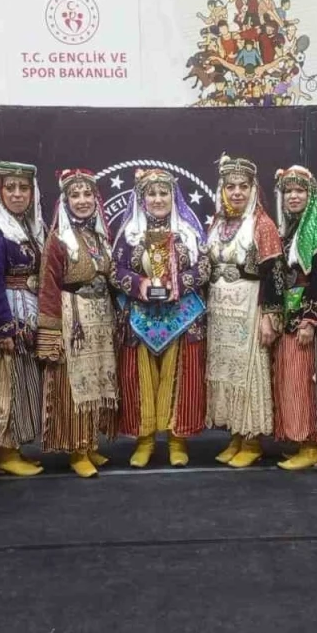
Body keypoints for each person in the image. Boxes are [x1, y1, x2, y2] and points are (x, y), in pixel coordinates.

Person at [114, 167, 209, 468]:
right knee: (141, 378)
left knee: (178, 376)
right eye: (151, 194)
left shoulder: (189, 232)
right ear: (141, 199)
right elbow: (113, 270)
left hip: (181, 316)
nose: (157, 199)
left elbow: (205, 267)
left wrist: (177, 285)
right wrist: (139, 284)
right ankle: (145, 441)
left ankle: (177, 440)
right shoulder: (129, 233)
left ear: (173, 196)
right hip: (140, 318)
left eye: (163, 193)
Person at [35, 169, 118, 477]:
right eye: (75, 195)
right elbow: (48, 286)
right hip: (74, 319)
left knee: (98, 379)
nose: (82, 201)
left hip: (101, 318)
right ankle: (76, 450)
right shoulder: (58, 239)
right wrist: (50, 332)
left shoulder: (100, 237)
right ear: (65, 201)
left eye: (87, 194)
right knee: (75, 384)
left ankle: (90, 442)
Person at [205, 155, 284, 468]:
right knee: (226, 372)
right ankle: (235, 436)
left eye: (243, 186)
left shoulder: (262, 225)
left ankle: (251, 441)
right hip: (220, 310)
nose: (237, 192)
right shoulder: (217, 223)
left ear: (253, 189)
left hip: (249, 307)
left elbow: (275, 274)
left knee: (249, 372)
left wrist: (270, 316)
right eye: (231, 186)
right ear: (222, 189)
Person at [0, 161, 46, 477]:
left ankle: (15, 448)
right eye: (11, 188)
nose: (17, 194)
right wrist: (2, 327)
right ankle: (5, 453)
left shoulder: (30, 227)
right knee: (7, 383)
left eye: (24, 188)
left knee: (23, 383)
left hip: (29, 313)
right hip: (11, 315)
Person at [272, 165, 317, 470]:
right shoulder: (291, 228)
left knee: (305, 382)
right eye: (288, 191)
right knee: (291, 379)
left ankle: (312, 446)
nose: (293, 196)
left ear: (312, 196)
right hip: (289, 314)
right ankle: (300, 442)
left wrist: (310, 320)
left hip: (305, 319)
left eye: (300, 191)